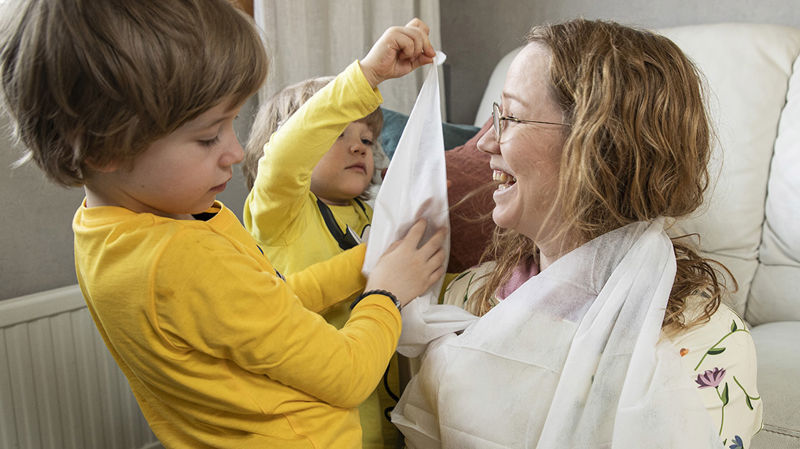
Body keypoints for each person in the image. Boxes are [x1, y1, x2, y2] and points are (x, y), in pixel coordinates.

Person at [0, 1, 444, 447]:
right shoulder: (182, 258)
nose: (234, 151)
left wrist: (368, 260)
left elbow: (268, 302)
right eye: (209, 136)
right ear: (104, 148)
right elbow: (348, 375)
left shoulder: (105, 229)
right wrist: (385, 292)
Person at [392, 19, 762, 448]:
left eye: (510, 116)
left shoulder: (705, 344)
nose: (484, 142)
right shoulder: (466, 298)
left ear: (599, 148)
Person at [240, 77, 395, 448]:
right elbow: (283, 160)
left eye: (367, 140)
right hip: (321, 427)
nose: (358, 147)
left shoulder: (373, 214)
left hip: (385, 409)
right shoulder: (282, 213)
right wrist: (367, 75)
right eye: (336, 134)